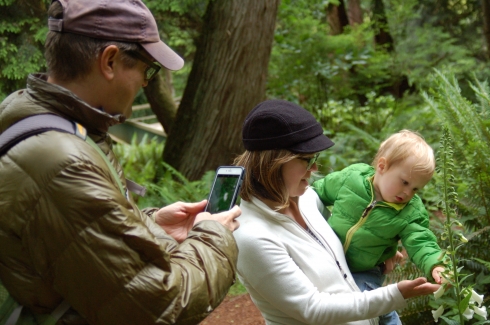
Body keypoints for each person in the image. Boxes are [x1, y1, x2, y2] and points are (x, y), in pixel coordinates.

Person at [0, 1, 240, 324]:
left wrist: (150, 225)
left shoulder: (44, 120)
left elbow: (71, 241)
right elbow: (160, 305)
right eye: (147, 69)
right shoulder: (63, 163)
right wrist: (212, 236)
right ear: (110, 60)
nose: (145, 83)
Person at [233, 99, 440, 325]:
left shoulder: (307, 198)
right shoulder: (252, 237)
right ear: (274, 162)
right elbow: (313, 309)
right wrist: (395, 294)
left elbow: (343, 244)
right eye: (307, 160)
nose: (315, 169)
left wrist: (378, 248)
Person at [312, 130, 445, 325]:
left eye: (415, 188)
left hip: (365, 270)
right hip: (328, 259)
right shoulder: (351, 179)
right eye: (405, 182)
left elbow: (421, 241)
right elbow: (318, 192)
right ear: (382, 166)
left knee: (369, 300)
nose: (408, 192)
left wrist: (436, 264)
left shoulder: (411, 212)